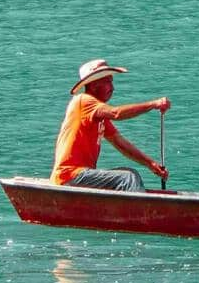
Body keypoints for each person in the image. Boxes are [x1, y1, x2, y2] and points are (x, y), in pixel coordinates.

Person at [52, 59, 171, 190]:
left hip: (81, 176)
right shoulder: (84, 101)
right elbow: (116, 113)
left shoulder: (99, 116)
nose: (112, 87)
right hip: (70, 175)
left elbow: (119, 142)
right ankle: (142, 210)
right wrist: (153, 104)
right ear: (93, 85)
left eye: (111, 81)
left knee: (129, 175)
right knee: (128, 178)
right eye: (107, 81)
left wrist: (150, 164)